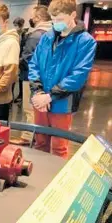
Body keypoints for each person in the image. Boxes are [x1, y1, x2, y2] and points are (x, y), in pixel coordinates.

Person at [28, 0, 96, 159]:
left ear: (73, 15)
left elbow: (78, 75)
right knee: (40, 143)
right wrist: (38, 92)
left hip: (62, 102)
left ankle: (57, 180)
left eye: (59, 20)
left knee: (59, 147)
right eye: (53, 19)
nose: (55, 23)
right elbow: (34, 64)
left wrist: (50, 95)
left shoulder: (85, 41)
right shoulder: (47, 37)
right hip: (40, 101)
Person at [10, 6, 52, 146]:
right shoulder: (54, 33)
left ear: (38, 18)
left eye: (33, 16)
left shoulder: (36, 35)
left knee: (30, 109)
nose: (31, 19)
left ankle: (28, 137)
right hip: (47, 79)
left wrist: (18, 65)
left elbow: (28, 58)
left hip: (31, 77)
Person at [12, 17, 27, 103]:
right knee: (13, 78)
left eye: (17, 25)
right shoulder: (13, 34)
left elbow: (24, 47)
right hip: (14, 58)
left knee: (21, 78)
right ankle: (12, 95)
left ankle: (21, 95)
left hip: (21, 60)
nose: (16, 27)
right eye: (14, 25)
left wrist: (21, 58)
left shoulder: (25, 35)